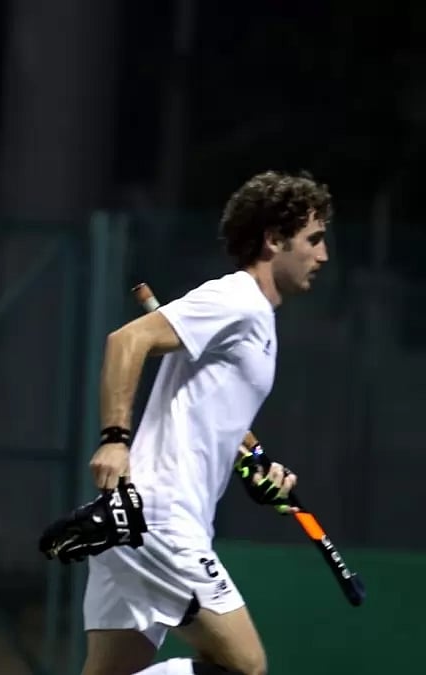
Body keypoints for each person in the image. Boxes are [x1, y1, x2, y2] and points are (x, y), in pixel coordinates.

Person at [71, 170, 331, 675]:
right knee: (244, 669)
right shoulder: (238, 300)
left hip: (139, 517)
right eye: (313, 240)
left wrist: (260, 471)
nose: (322, 256)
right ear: (274, 240)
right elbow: (127, 341)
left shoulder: (257, 321)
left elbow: (212, 419)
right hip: (160, 518)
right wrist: (114, 441)